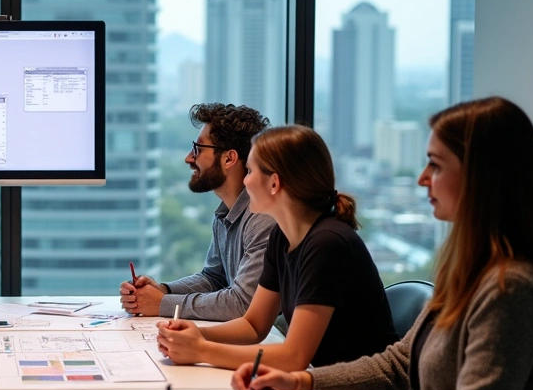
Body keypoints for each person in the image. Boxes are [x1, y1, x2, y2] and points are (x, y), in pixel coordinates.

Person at [231, 97, 533, 390]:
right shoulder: (473, 271)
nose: (421, 178)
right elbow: (400, 364)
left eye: (435, 165)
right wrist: (301, 382)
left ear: (480, 177)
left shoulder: (512, 288)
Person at [157, 124, 396, 370]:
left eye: (249, 171)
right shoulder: (282, 237)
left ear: (274, 183)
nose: (245, 182)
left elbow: (293, 357)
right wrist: (196, 335)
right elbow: (254, 325)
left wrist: (201, 350)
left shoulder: (327, 244)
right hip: (325, 382)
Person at [120, 103, 275, 320]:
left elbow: (242, 303)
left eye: (198, 149)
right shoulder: (225, 215)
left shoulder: (263, 219)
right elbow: (214, 278)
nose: (189, 158)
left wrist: (163, 304)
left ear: (229, 159)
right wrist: (163, 291)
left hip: (274, 342)